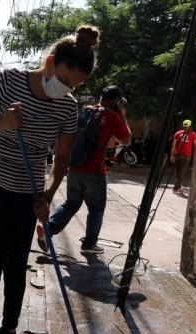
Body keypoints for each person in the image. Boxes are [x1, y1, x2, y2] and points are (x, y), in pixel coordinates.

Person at [0, 25, 100, 334]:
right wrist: (3, 122)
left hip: (28, 192)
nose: (68, 90)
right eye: (66, 80)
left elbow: (63, 160)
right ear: (52, 62)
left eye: (75, 86)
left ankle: (7, 333)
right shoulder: (9, 82)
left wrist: (49, 195)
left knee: (15, 265)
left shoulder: (67, 107)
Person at [36, 85, 132, 254]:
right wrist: (122, 117)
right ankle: (89, 244)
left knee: (71, 204)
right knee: (96, 208)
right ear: (117, 102)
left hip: (74, 167)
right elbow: (126, 140)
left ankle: (48, 229)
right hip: (94, 172)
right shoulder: (111, 116)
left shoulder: (86, 110)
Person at [170, 119, 196, 195]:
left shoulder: (177, 133)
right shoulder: (193, 135)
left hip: (177, 155)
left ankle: (178, 186)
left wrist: (172, 155)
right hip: (187, 156)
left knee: (178, 171)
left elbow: (173, 145)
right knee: (181, 173)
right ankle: (176, 188)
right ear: (190, 126)